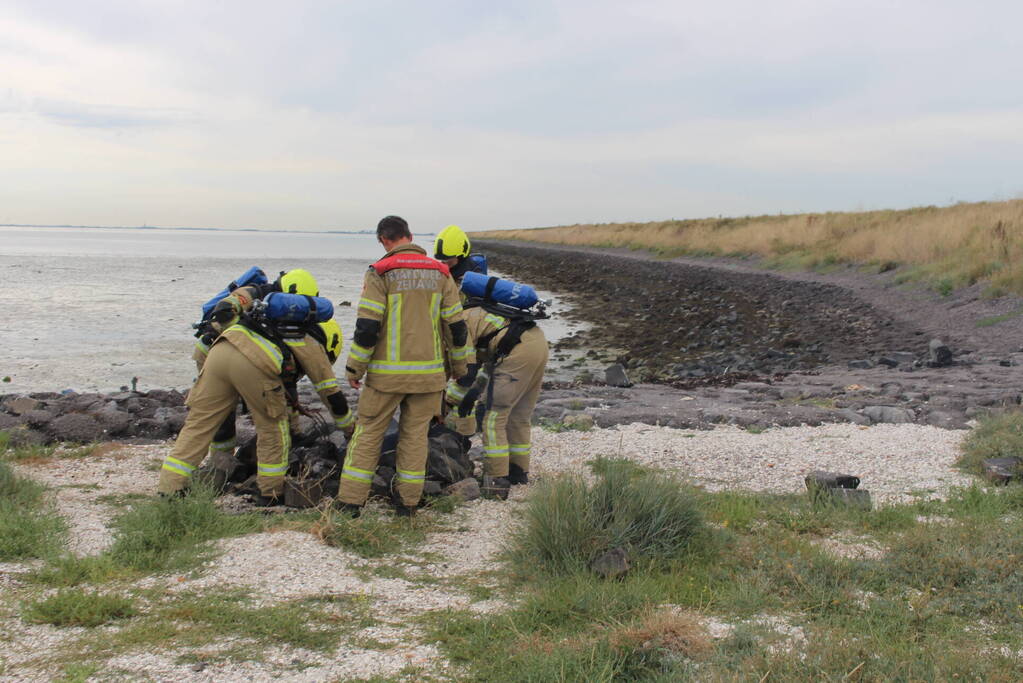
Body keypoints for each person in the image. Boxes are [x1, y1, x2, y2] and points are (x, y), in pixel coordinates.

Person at [159, 270, 353, 505]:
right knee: (273, 428)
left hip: (221, 352)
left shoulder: (259, 315)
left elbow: (285, 390)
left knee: (199, 425)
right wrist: (351, 430)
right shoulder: (309, 342)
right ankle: (270, 493)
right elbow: (331, 394)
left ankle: (170, 488)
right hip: (253, 362)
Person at [337, 215, 472, 517]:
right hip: (429, 378)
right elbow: (456, 326)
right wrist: (460, 367)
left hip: (386, 378)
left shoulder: (381, 272)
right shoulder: (441, 273)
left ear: (384, 240)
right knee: (414, 437)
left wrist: (354, 368)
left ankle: (349, 503)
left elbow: (368, 326)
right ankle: (409, 504)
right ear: (409, 236)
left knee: (368, 433)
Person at [445, 304, 548, 499]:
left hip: (517, 353)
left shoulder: (460, 324)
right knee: (519, 416)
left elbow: (468, 370)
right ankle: (518, 472)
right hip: (537, 344)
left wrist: (449, 401)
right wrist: (474, 392)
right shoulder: (480, 313)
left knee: (494, 418)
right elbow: (489, 363)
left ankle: (496, 480)